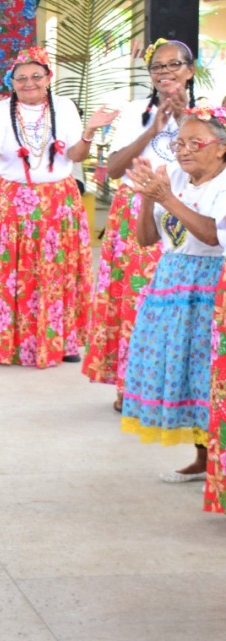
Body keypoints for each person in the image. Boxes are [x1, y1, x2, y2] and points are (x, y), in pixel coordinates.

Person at [0, 47, 117, 367]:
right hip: (10, 200)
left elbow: (76, 156)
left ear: (48, 77)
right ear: (12, 82)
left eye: (36, 76)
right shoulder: (2, 110)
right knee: (11, 273)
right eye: (21, 78)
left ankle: (64, 340)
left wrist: (88, 132)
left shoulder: (64, 108)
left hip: (58, 202)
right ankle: (5, 341)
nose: (29, 82)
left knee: (57, 271)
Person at [83, 39, 194, 410]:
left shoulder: (210, 113)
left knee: (180, 302)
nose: (165, 72)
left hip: (186, 214)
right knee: (135, 300)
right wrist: (151, 130)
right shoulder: (134, 110)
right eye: (157, 67)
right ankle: (131, 388)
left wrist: (181, 121)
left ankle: (175, 392)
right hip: (134, 212)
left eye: (173, 64)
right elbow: (113, 170)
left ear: (189, 70)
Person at [121, 105, 226, 484]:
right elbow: (147, 239)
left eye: (194, 142)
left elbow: (213, 234)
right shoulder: (176, 179)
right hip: (172, 281)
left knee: (208, 370)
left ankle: (216, 458)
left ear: (220, 148)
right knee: (185, 369)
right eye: (178, 142)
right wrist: (148, 196)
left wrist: (165, 198)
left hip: (210, 284)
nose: (183, 150)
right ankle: (202, 458)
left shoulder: (223, 183)